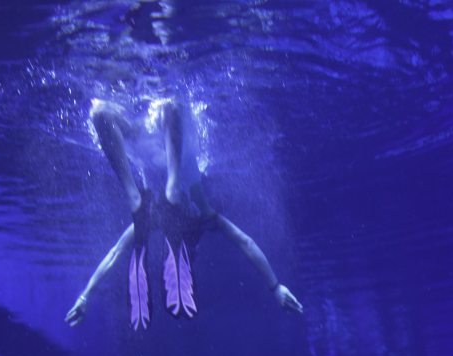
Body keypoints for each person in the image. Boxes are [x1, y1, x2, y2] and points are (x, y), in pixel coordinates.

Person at [65, 97, 303, 330]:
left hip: (145, 150)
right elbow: (246, 242)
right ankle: (168, 186)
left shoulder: (164, 218)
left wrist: (86, 295)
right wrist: (275, 286)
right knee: (169, 106)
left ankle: (142, 191)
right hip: (166, 148)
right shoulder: (202, 216)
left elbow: (116, 251)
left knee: (102, 114)